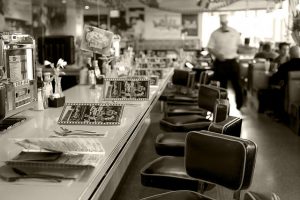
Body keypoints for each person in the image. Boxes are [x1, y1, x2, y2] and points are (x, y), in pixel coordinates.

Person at [207, 14, 244, 110]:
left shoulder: (234, 32)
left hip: (232, 62)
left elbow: (240, 46)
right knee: (222, 87)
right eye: (222, 23)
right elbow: (210, 48)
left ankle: (240, 105)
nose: (224, 24)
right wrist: (217, 55)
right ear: (220, 23)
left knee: (237, 85)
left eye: (225, 22)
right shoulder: (215, 33)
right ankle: (222, 107)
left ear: (228, 22)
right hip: (220, 63)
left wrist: (242, 51)